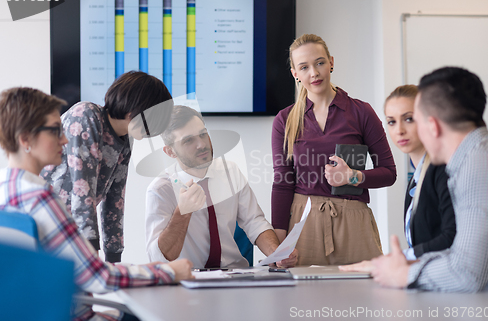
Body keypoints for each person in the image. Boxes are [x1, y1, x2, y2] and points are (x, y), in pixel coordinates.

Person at [0, 87, 192, 321]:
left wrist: (113, 254)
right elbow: (97, 277)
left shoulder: (7, 188)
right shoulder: (41, 198)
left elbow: (115, 201)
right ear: (25, 139)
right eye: (55, 130)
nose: (64, 138)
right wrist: (168, 271)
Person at [341, 67, 488, 292]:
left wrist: (402, 273)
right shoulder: (478, 157)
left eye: (413, 119)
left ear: (431, 125)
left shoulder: (479, 165)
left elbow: (468, 272)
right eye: (392, 122)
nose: (402, 130)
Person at [271, 33, 397, 265]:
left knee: (361, 297)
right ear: (295, 74)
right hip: (303, 223)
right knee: (303, 299)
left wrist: (353, 176)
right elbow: (282, 182)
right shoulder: (285, 120)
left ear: (331, 62)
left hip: (353, 222)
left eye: (319, 63)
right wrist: (278, 245)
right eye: (304, 67)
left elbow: (389, 173)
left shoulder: (361, 112)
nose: (314, 73)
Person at [41, 71, 173, 263]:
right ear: (134, 111)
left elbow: (115, 200)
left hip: (69, 228)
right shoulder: (86, 116)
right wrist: (92, 253)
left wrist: (114, 257)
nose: (152, 131)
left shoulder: (125, 139)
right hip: (46, 223)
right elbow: (82, 190)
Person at [146, 105, 298, 268]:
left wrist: (277, 253)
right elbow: (159, 258)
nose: (201, 145)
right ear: (170, 151)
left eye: (203, 134)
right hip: (187, 280)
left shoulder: (230, 171)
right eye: (188, 140)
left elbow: (254, 222)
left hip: (233, 275)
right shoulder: (160, 190)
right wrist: (182, 213)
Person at [384, 85, 455, 259]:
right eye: (391, 122)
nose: (399, 130)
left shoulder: (443, 170)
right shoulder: (416, 178)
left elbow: (452, 238)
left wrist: (403, 257)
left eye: (409, 119)